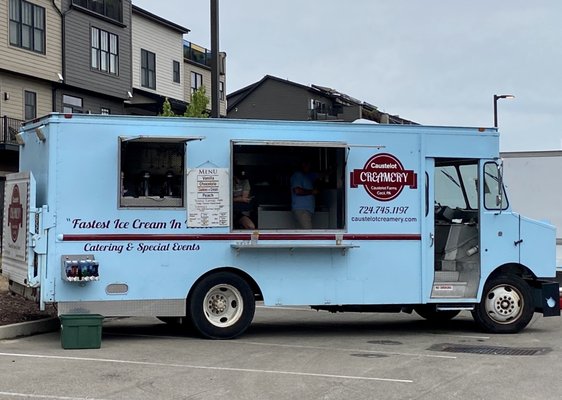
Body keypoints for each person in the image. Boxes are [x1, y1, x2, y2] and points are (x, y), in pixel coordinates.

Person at [290, 160, 319, 229]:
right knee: (308, 234)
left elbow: (320, 175)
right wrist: (312, 192)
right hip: (302, 210)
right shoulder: (297, 175)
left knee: (301, 235)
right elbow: (297, 191)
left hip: (305, 210)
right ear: (303, 165)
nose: (309, 167)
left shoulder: (307, 177)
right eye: (308, 165)